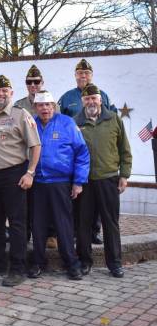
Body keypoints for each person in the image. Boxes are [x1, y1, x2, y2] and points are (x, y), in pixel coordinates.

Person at [0, 75, 41, 287]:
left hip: (14, 175)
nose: (0, 94)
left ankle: (17, 268)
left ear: (11, 93)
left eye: (5, 91)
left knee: (16, 224)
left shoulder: (21, 115)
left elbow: (35, 145)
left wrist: (30, 172)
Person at [28, 91, 89, 281]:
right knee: (38, 225)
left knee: (64, 225)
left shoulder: (67, 123)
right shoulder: (31, 124)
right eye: (40, 105)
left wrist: (78, 181)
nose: (45, 109)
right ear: (35, 107)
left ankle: (71, 263)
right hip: (37, 183)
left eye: (48, 105)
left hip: (60, 183)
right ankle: (38, 262)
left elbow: (82, 153)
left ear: (54, 106)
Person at [75, 83, 132, 278]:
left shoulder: (114, 119)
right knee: (83, 224)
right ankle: (84, 261)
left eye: (94, 98)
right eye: (87, 99)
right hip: (85, 182)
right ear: (82, 101)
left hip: (108, 180)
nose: (91, 102)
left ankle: (115, 263)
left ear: (100, 100)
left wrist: (124, 174)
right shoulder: (75, 122)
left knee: (110, 223)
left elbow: (124, 149)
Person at [58, 58, 116, 245]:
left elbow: (108, 120)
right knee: (79, 201)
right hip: (76, 158)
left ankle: (94, 231)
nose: (83, 76)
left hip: (100, 161)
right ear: (75, 75)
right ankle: (77, 231)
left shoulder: (103, 95)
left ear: (91, 75)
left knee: (99, 203)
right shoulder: (67, 97)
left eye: (87, 73)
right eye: (80, 73)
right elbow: (61, 122)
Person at [15, 64, 58, 248]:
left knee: (48, 201)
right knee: (26, 201)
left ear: (42, 82)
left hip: (47, 159)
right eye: (29, 82)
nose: (33, 85)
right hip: (26, 159)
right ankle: (25, 234)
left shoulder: (52, 103)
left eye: (36, 81)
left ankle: (51, 234)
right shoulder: (19, 105)